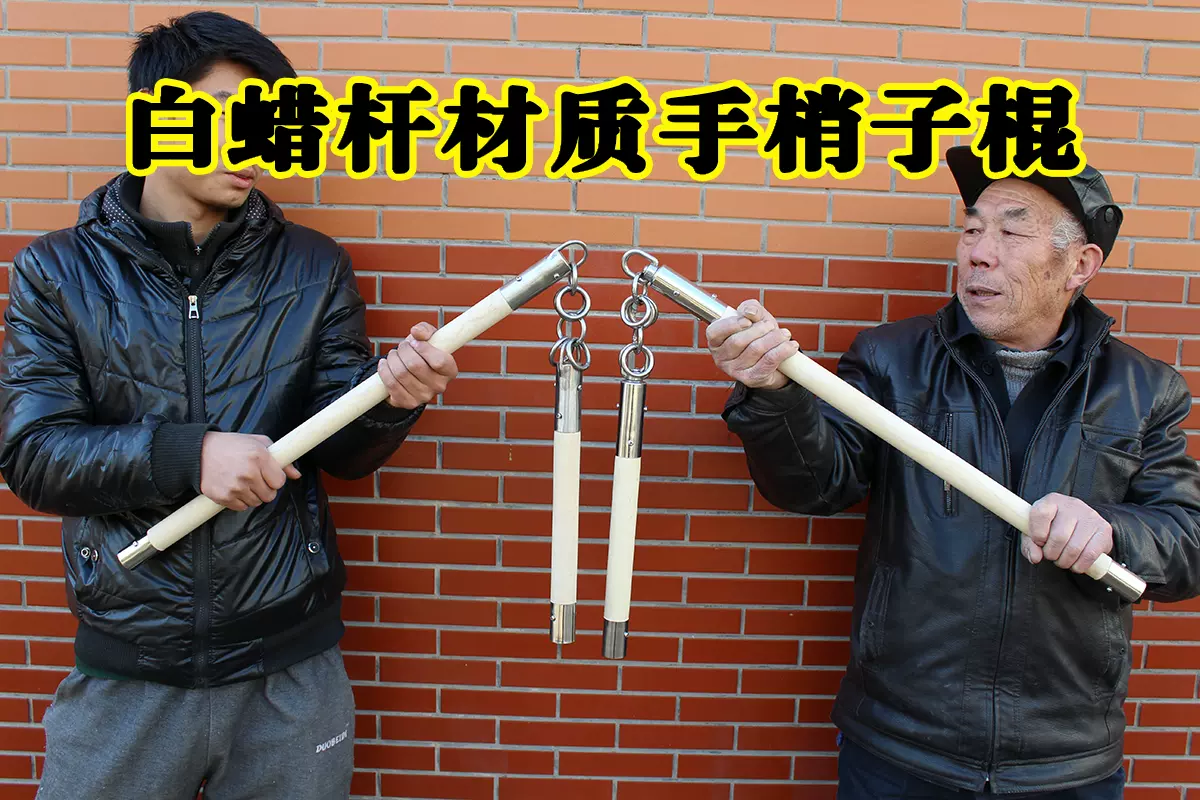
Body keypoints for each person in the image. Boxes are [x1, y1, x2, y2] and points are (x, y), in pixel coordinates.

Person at [0, 12, 458, 800]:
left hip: (291, 670)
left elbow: (344, 452)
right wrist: (188, 455)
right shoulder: (58, 272)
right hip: (130, 666)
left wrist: (392, 401)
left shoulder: (313, 267)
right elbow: (33, 455)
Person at [709, 145, 1200, 798]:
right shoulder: (890, 360)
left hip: (1064, 758)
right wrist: (775, 395)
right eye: (971, 229)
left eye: (1011, 233)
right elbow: (815, 485)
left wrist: (1111, 531)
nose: (978, 253)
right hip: (901, 743)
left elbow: (1187, 543)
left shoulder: (1143, 391)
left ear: (1080, 265)